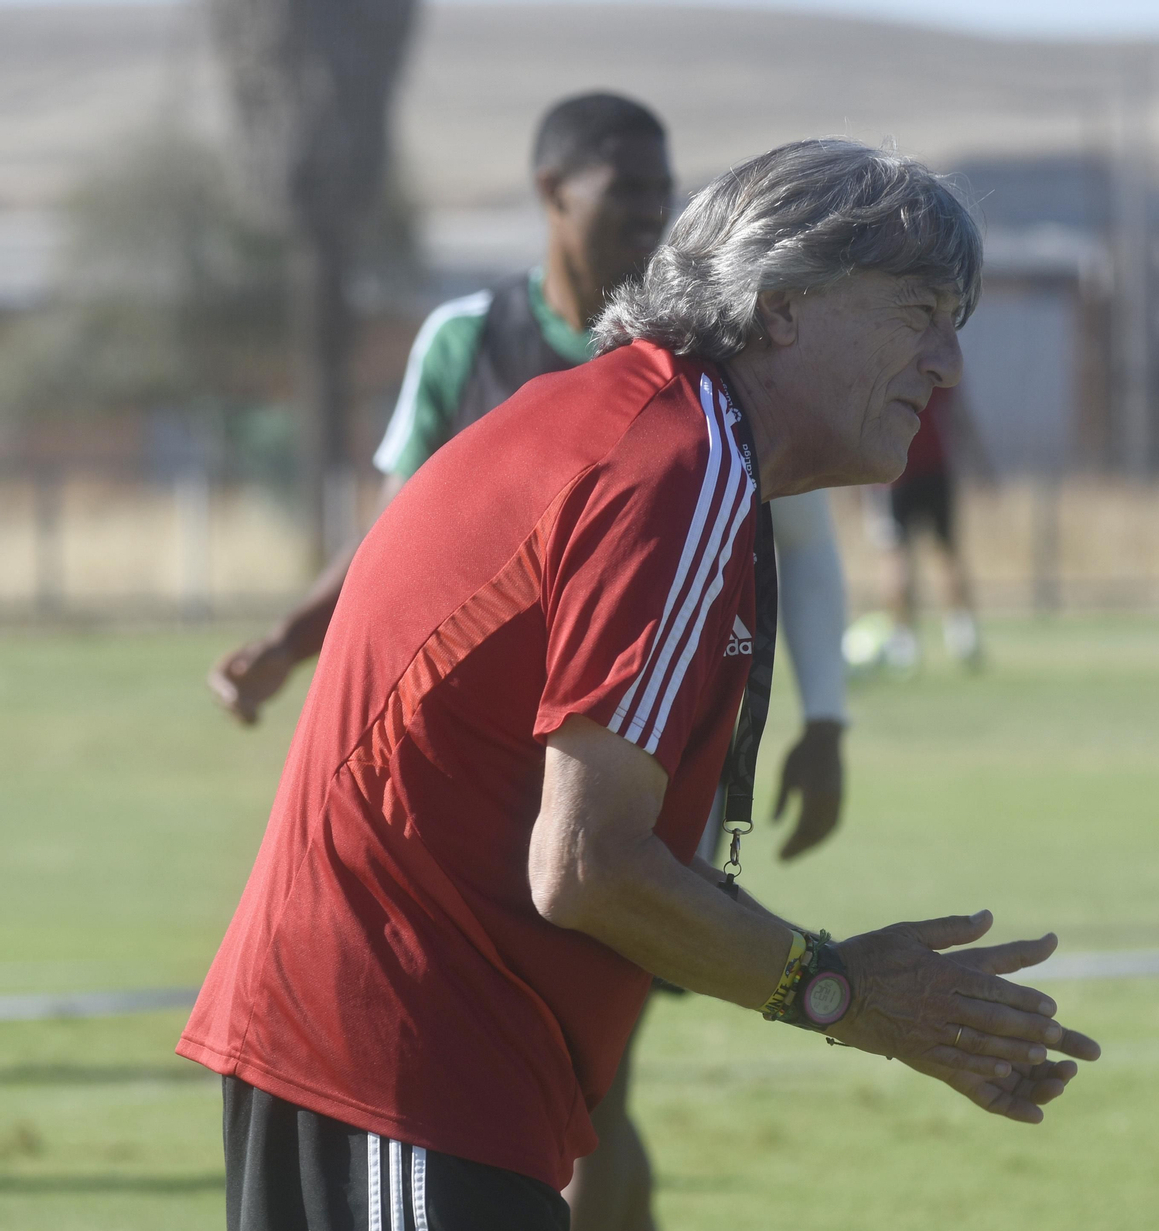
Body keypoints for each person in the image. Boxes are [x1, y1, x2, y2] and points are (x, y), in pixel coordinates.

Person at [179, 138, 1100, 1231]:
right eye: (919, 311)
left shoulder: (663, 430)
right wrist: (842, 993)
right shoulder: (679, 462)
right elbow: (588, 866)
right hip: (399, 1061)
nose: (949, 364)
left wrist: (858, 988)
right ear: (782, 305)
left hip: (416, 1063)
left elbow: (608, 854)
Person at [206, 94, 850, 1231]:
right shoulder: (520, 358)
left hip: (572, 835)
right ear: (553, 194)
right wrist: (285, 643)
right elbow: (401, 531)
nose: (649, 213)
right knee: (572, 1080)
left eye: (664, 193)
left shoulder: (699, 408)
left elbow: (797, 541)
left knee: (588, 1082)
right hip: (427, 958)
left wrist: (827, 718)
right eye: (627, 192)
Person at [882, 383, 983, 670]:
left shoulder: (885, 356)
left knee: (896, 554)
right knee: (945, 551)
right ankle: (962, 635)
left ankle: (904, 642)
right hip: (933, 467)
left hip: (894, 471)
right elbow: (957, 413)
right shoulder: (934, 358)